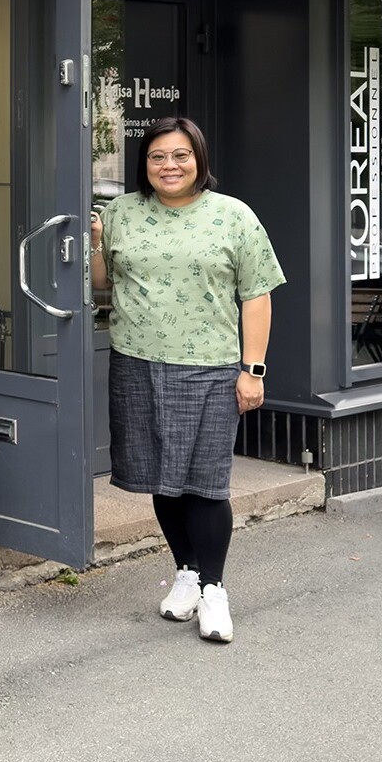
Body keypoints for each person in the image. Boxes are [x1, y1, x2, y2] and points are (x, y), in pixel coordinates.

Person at [88, 116, 283, 644]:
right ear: (144, 164)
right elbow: (103, 285)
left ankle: (214, 589)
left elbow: (258, 295)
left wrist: (253, 369)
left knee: (205, 482)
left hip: (210, 369)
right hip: (136, 362)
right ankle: (187, 574)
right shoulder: (121, 212)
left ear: (199, 159)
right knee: (160, 477)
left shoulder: (233, 215)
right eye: (158, 157)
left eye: (180, 155)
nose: (169, 166)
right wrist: (96, 243)